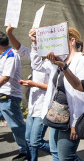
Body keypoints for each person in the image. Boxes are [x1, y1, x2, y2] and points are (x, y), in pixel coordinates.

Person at [29, 27, 84, 161]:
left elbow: (82, 94)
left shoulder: (83, 60)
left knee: (66, 157)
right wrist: (36, 44)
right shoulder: (61, 60)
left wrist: (75, 123)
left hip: (71, 117)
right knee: (55, 152)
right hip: (57, 114)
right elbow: (37, 65)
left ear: (72, 41)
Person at [6, 24, 51, 161]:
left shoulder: (53, 63)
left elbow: (53, 87)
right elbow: (20, 48)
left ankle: (61, 151)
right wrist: (10, 34)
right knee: (28, 140)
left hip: (43, 108)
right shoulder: (36, 58)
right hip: (33, 107)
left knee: (35, 142)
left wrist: (33, 84)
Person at [0, 30, 28, 161]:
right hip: (3, 97)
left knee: (17, 127)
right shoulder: (4, 55)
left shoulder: (11, 55)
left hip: (8, 98)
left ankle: (26, 152)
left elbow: (5, 77)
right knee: (18, 127)